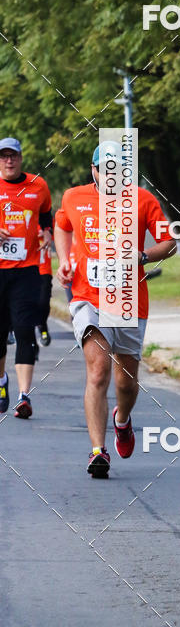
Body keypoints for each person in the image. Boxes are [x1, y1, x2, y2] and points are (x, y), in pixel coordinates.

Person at [54, 142, 176, 478]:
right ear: (92, 170)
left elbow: (170, 243)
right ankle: (98, 450)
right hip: (87, 297)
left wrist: (141, 257)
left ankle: (121, 420)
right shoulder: (73, 198)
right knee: (97, 372)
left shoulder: (142, 200)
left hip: (128, 300)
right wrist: (65, 260)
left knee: (125, 383)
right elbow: (62, 225)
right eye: (102, 169)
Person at [0, 137, 52, 418]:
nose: (9, 160)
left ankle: (24, 396)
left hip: (27, 270)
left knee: (23, 330)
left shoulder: (38, 186)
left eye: (13, 156)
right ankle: (2, 382)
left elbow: (46, 215)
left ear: (21, 158)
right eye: (4, 156)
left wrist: (47, 233)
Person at [37, 226, 53, 346]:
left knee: (43, 303)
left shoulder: (46, 222)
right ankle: (11, 329)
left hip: (44, 270)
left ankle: (43, 328)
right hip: (24, 269)